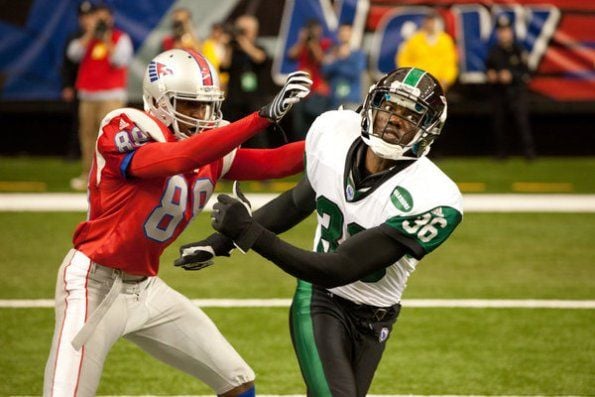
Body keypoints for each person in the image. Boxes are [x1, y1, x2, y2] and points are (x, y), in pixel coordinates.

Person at [176, 67, 463, 396]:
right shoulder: (334, 133)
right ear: (371, 105)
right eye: (389, 106)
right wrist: (220, 242)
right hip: (320, 300)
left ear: (428, 129)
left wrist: (248, 231)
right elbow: (297, 202)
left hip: (376, 315)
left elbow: (341, 267)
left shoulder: (436, 197)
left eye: (410, 115)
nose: (394, 119)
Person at [43, 49, 312, 397]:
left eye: (206, 105)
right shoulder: (125, 127)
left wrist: (337, 139)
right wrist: (260, 118)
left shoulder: (210, 146)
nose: (201, 115)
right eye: (189, 105)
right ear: (158, 102)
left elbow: (273, 163)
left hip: (146, 289)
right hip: (93, 283)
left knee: (237, 382)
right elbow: (179, 157)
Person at [67, 4, 133, 191]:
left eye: (104, 19)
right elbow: (72, 54)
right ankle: (88, 174)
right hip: (88, 95)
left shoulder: (120, 38)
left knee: (111, 137)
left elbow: (120, 60)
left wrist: (106, 39)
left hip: (111, 96)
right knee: (87, 135)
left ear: (111, 19)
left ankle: (112, 176)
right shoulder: (87, 40)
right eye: (98, 18)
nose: (101, 23)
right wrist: (90, 34)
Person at [486, 16, 536, 160]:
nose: (503, 34)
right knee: (499, 123)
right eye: (501, 31)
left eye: (506, 30)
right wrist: (491, 75)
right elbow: (488, 68)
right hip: (499, 92)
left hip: (516, 92)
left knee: (521, 122)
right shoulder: (493, 51)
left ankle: (528, 152)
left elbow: (527, 72)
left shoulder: (518, 50)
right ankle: (502, 153)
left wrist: (512, 76)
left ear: (511, 32)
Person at [220, 15, 271, 147]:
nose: (241, 33)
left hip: (253, 101)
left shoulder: (258, 48)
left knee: (256, 137)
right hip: (233, 100)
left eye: (245, 30)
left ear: (254, 31)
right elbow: (224, 67)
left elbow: (260, 59)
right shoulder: (234, 50)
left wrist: (243, 41)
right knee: (231, 136)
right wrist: (228, 46)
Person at [61, 1, 96, 160]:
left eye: (89, 16)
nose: (86, 20)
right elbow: (69, 60)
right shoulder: (75, 37)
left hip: (99, 87)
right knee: (80, 123)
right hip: (79, 86)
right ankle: (75, 153)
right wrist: (67, 85)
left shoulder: (106, 36)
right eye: (83, 17)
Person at [287, 19, 332, 136]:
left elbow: (321, 60)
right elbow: (291, 55)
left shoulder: (324, 43)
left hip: (317, 91)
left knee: (315, 125)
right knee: (299, 127)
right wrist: (302, 40)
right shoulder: (302, 45)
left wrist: (313, 44)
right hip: (301, 91)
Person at [396, 11, 458, 91]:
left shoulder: (445, 41)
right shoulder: (414, 40)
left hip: (437, 82)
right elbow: (403, 59)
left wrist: (446, 80)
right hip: (416, 82)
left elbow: (450, 63)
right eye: (428, 22)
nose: (430, 25)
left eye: (432, 23)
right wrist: (409, 79)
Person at [322, 23, 366, 110]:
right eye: (342, 31)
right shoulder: (332, 52)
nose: (344, 34)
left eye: (347, 31)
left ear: (351, 33)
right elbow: (325, 71)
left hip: (351, 100)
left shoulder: (358, 54)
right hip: (334, 100)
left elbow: (356, 73)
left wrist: (339, 61)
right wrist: (339, 58)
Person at [202, 23, 231, 89]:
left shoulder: (226, 46)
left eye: (219, 31)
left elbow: (226, 64)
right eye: (214, 31)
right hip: (211, 79)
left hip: (224, 81)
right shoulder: (207, 44)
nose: (216, 34)